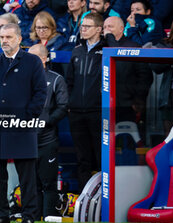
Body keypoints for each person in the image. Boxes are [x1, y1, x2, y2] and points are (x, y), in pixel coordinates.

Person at [0, 23, 47, 223]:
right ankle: (1, 215)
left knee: (27, 175)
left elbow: (40, 93)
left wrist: (27, 117)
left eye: (8, 37)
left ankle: (29, 216)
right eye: (1, 38)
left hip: (22, 126)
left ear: (19, 38)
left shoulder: (33, 62)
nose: (4, 41)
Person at [66, 12, 106, 193]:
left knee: (100, 155)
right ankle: (84, 196)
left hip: (97, 110)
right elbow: (69, 80)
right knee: (82, 157)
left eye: (88, 26)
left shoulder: (106, 49)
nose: (83, 29)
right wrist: (68, 104)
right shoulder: (77, 49)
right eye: (82, 26)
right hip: (76, 112)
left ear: (99, 29)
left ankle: (103, 195)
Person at [28, 44, 68, 219]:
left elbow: (63, 106)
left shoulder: (56, 79)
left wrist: (46, 121)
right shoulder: (21, 79)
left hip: (47, 140)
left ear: (44, 59)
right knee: (31, 183)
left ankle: (49, 220)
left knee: (48, 183)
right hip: (26, 140)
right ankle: (33, 220)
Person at [104, 16, 153, 123]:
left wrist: (138, 99)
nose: (106, 30)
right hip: (103, 105)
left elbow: (145, 75)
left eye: (110, 27)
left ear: (121, 29)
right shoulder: (101, 47)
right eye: (104, 27)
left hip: (126, 105)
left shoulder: (133, 47)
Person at [149, 19, 173, 136]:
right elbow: (155, 66)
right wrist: (169, 58)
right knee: (169, 136)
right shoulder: (167, 44)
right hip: (169, 97)